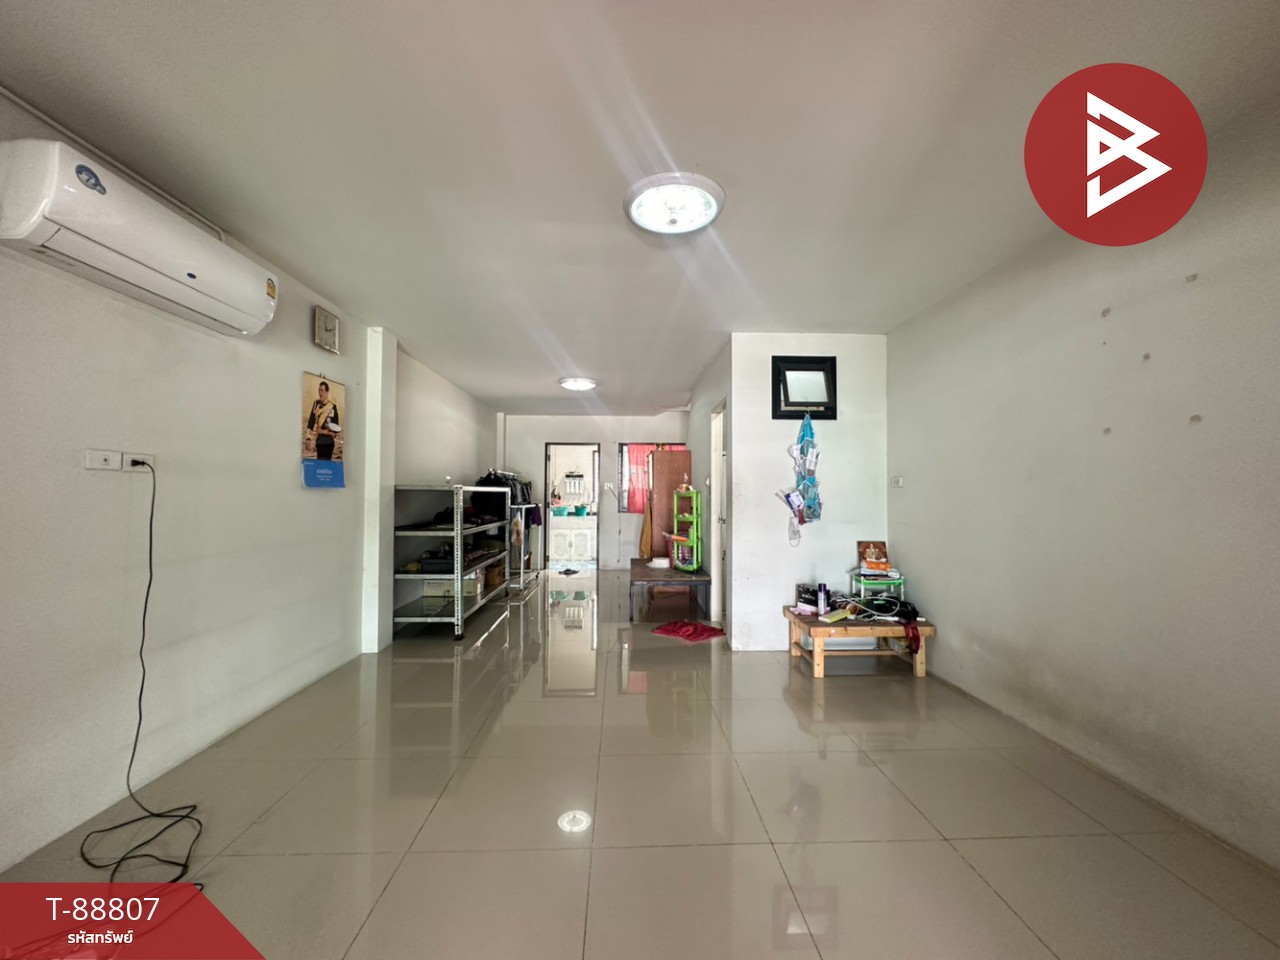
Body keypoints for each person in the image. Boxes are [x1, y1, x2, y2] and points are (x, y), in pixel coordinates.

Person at [306, 380, 342, 460]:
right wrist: (308, 438)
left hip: (329, 442)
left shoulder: (333, 407)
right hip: (319, 441)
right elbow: (311, 421)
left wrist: (333, 433)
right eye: (319, 390)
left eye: (322, 390)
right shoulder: (316, 404)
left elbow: (336, 426)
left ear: (327, 392)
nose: (320, 393)